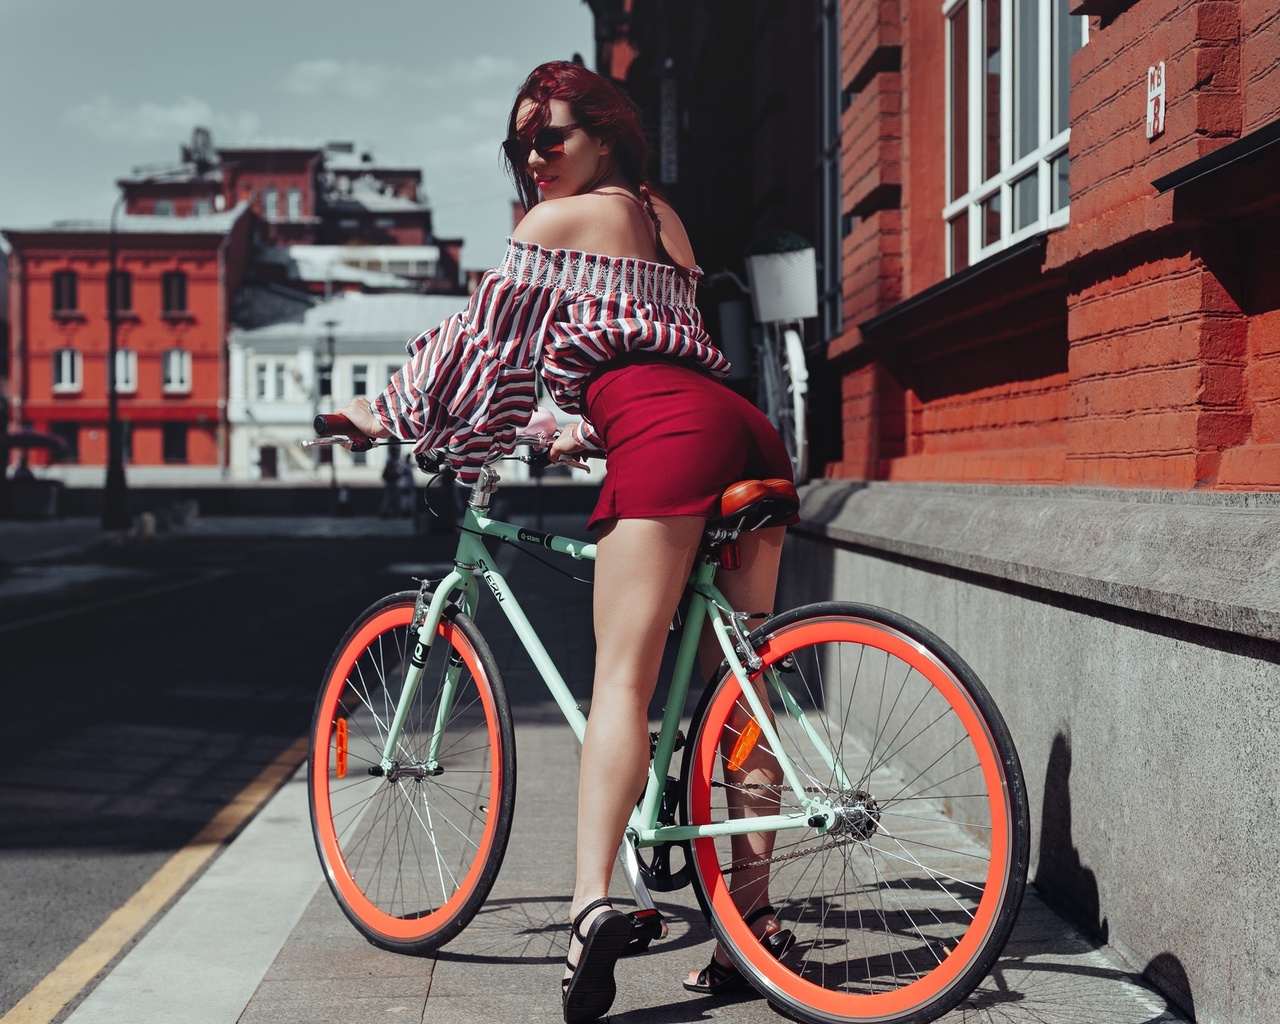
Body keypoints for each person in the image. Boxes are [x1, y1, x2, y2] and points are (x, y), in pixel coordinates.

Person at [332, 60, 794, 1023]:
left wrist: (384, 416)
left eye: (553, 137)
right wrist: (573, 427)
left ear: (608, 135)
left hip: (669, 438)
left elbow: (479, 346)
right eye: (521, 144)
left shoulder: (552, 226)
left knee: (620, 683)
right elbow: (658, 354)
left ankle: (592, 907)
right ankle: (754, 931)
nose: (534, 158)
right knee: (739, 685)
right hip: (744, 431)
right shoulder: (665, 222)